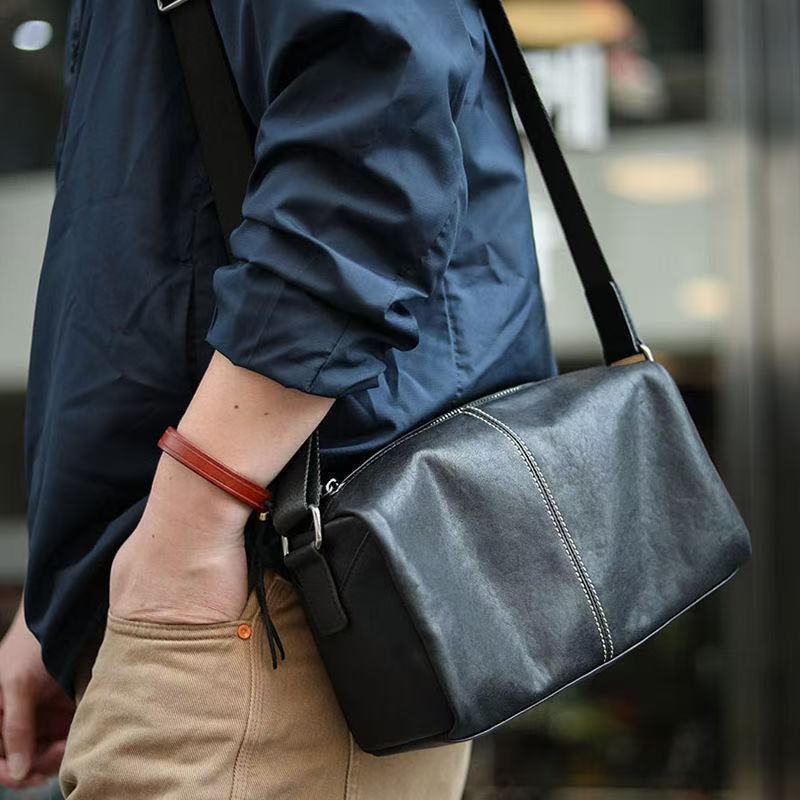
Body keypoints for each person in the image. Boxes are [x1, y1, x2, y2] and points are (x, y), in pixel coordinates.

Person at [0, 0, 556, 796]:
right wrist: (64, 604)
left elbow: (371, 139)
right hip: (231, 584)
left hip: (277, 590)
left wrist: (186, 531)